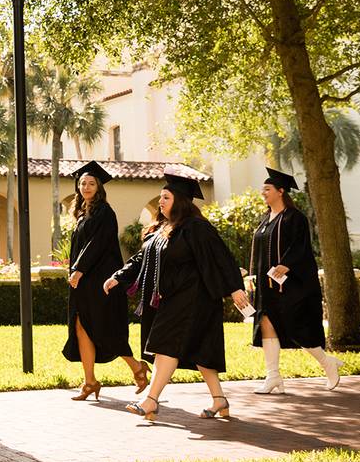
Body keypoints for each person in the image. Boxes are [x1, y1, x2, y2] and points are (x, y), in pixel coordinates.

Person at [104, 174, 249, 422]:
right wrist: (119, 276)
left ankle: (151, 400)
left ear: (180, 201)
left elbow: (220, 257)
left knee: (165, 344)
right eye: (160, 197)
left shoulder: (196, 228)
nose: (160, 201)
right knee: (201, 351)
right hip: (170, 298)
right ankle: (219, 400)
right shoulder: (160, 230)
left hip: (194, 298)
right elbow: (141, 259)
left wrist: (235, 287)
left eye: (166, 197)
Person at [249, 168, 341, 393]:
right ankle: (273, 377)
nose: (263, 193)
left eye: (267, 189)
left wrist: (287, 264)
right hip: (266, 285)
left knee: (296, 327)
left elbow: (301, 247)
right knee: (266, 325)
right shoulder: (265, 219)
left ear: (281, 191)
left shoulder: (294, 217)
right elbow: (258, 251)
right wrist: (252, 274)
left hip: (290, 286)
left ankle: (327, 363)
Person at [62, 161, 149, 399]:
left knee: (103, 328)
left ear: (99, 187)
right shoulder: (82, 213)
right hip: (84, 282)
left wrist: (79, 269)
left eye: (91, 183)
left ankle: (136, 366)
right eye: (83, 183)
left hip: (100, 280)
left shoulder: (104, 212)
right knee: (81, 327)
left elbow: (96, 244)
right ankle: (89, 381)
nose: (86, 187)